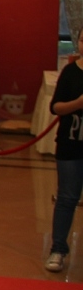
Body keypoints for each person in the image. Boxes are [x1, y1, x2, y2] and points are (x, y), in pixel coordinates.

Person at [47, 27, 83, 273]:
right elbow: (56, 107)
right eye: (82, 39)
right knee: (67, 198)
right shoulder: (70, 72)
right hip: (70, 146)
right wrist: (78, 104)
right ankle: (58, 249)